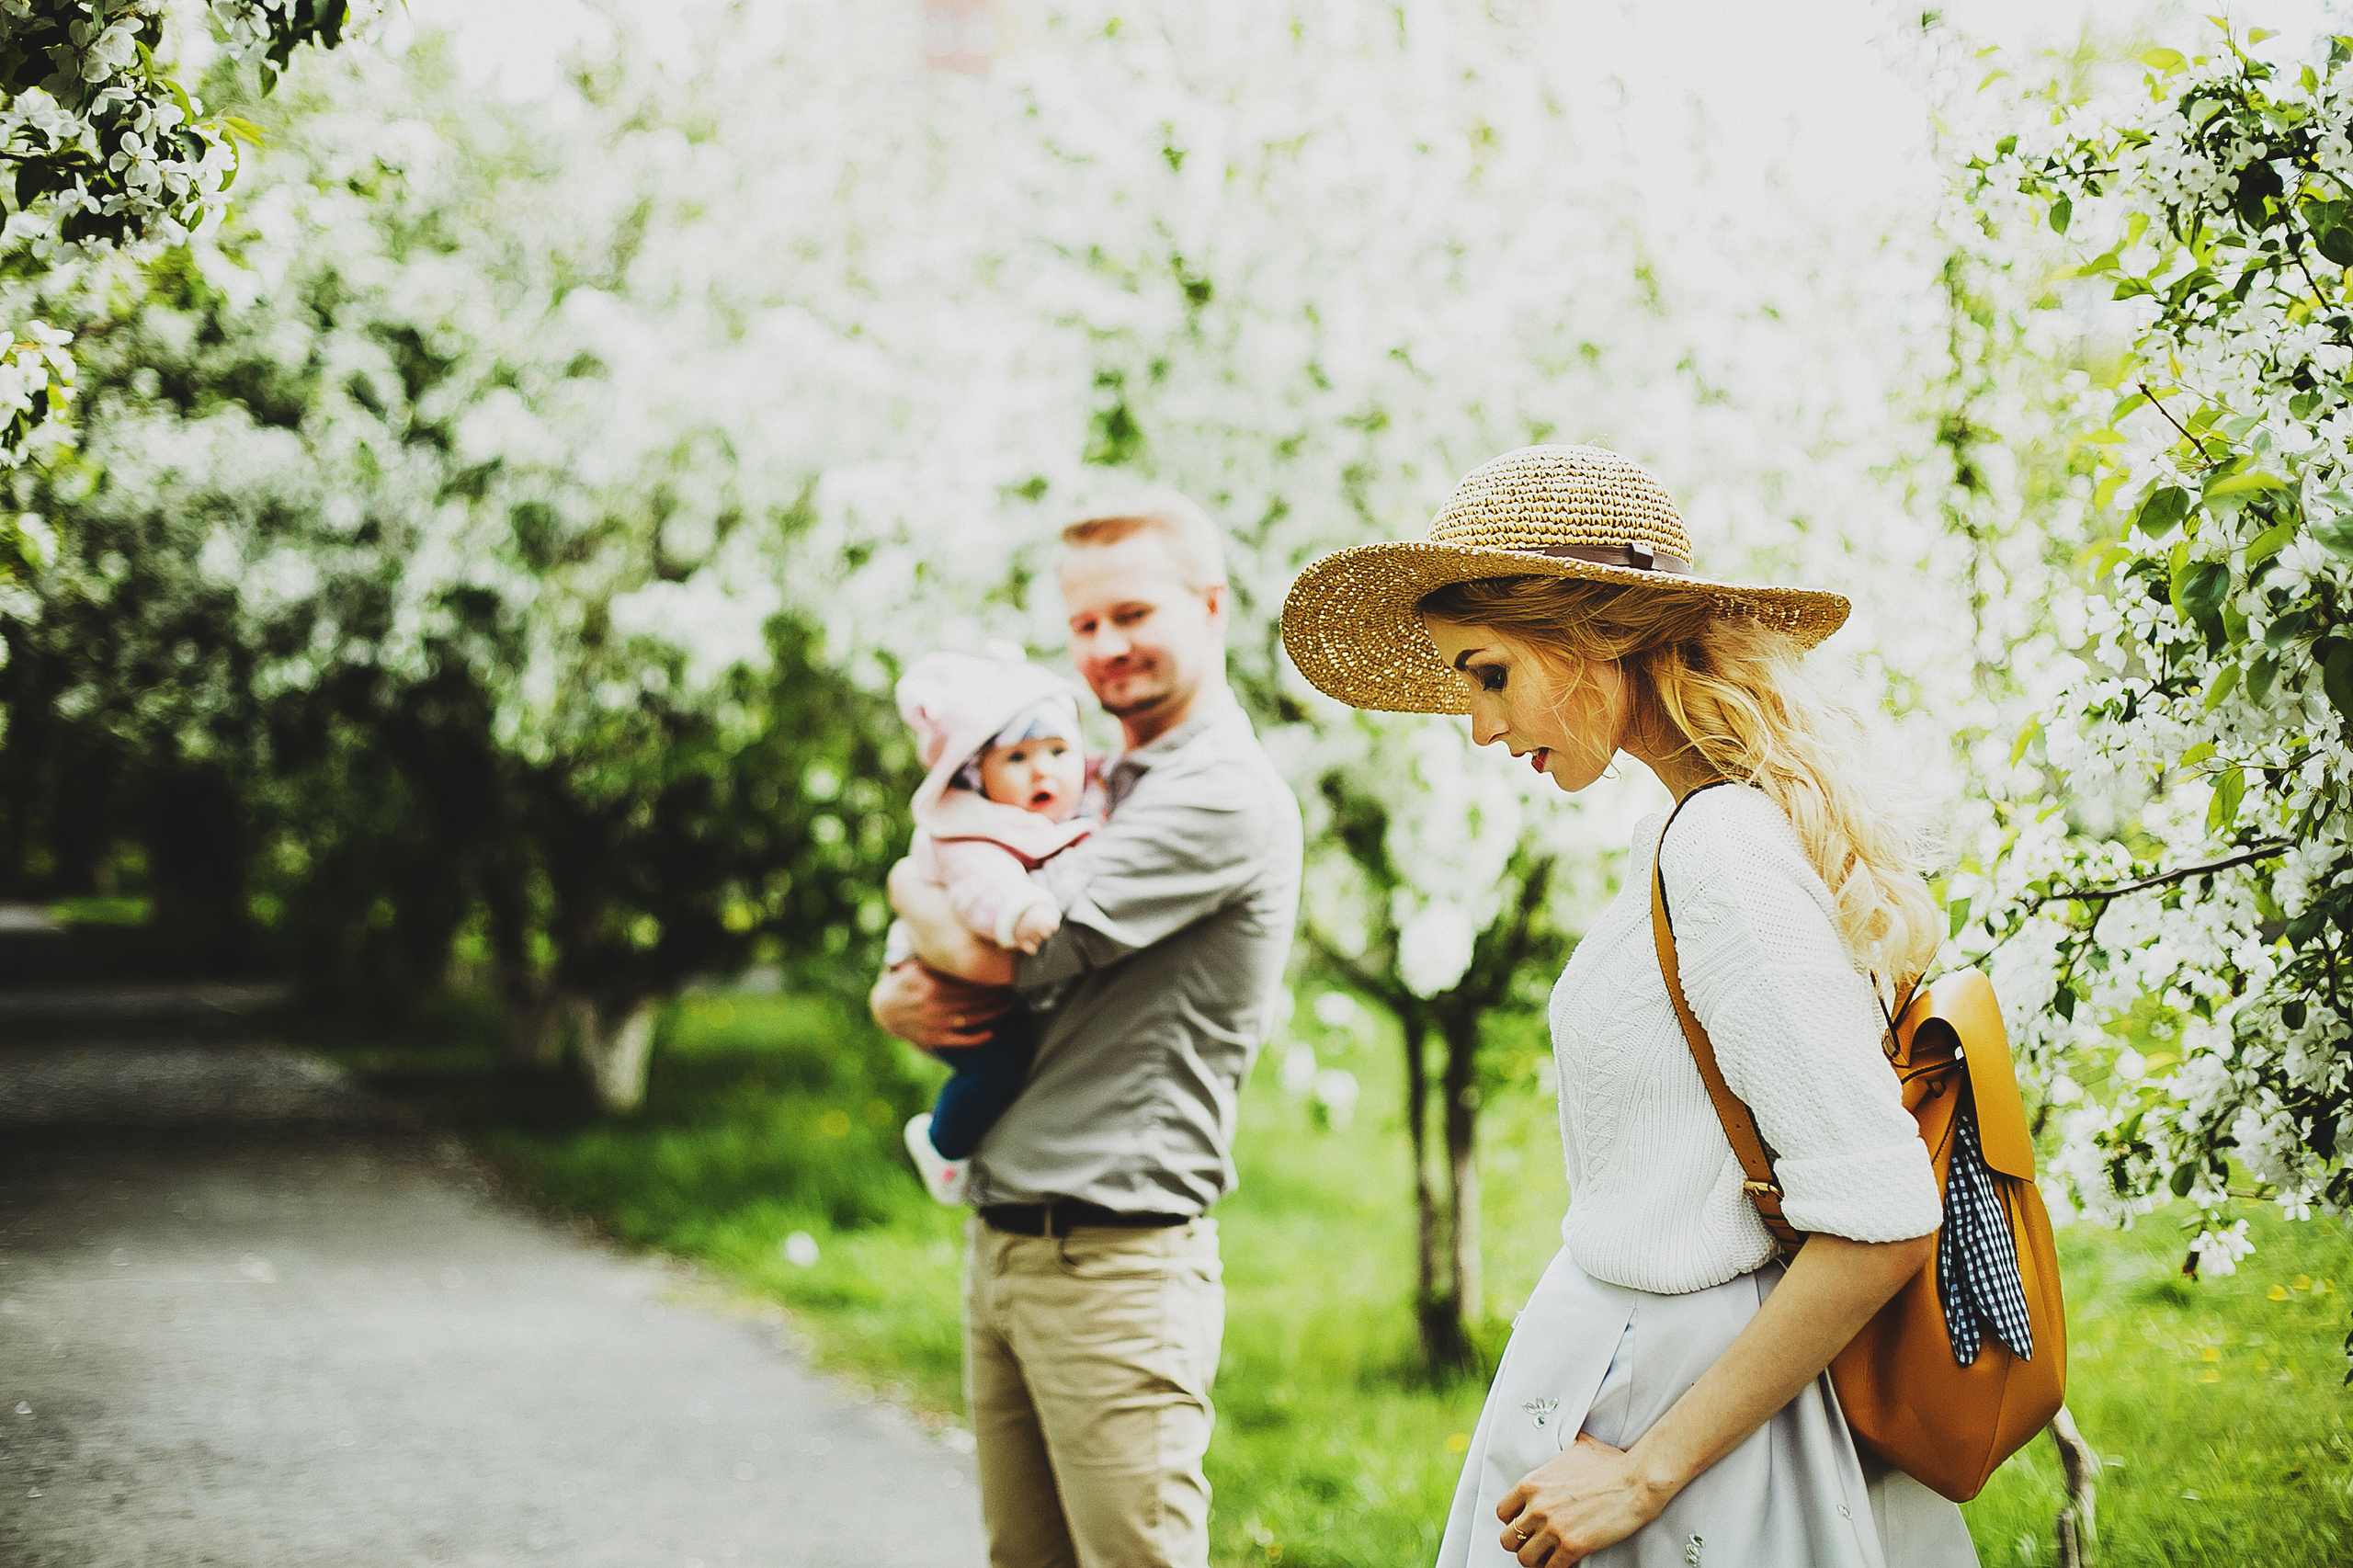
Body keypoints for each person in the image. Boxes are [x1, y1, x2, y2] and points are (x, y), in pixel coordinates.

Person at [1280, 445, 1976, 1568]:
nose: (1478, 726)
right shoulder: (1695, 826)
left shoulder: (1723, 850)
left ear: (1593, 635)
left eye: (1488, 673)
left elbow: (1880, 1215)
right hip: (1647, 1388)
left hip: (1685, 1433)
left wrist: (1645, 1469)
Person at [870, 493, 1303, 1568]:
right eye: (1084, 623)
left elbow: (1005, 951)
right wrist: (893, 993)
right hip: (1008, 1238)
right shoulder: (1086, 780)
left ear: (1210, 606)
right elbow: (966, 930)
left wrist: (900, 882)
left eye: (1132, 613)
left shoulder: (1218, 793)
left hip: (1115, 1264)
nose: (1105, 645)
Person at [890, 649, 1098, 1203]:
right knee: (997, 1066)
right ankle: (942, 1146)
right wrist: (1020, 913)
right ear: (977, 773)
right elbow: (981, 885)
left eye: (1059, 751)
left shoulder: (1070, 811)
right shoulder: (971, 830)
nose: (1042, 769)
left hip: (974, 974)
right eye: (1017, 757)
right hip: (941, 978)